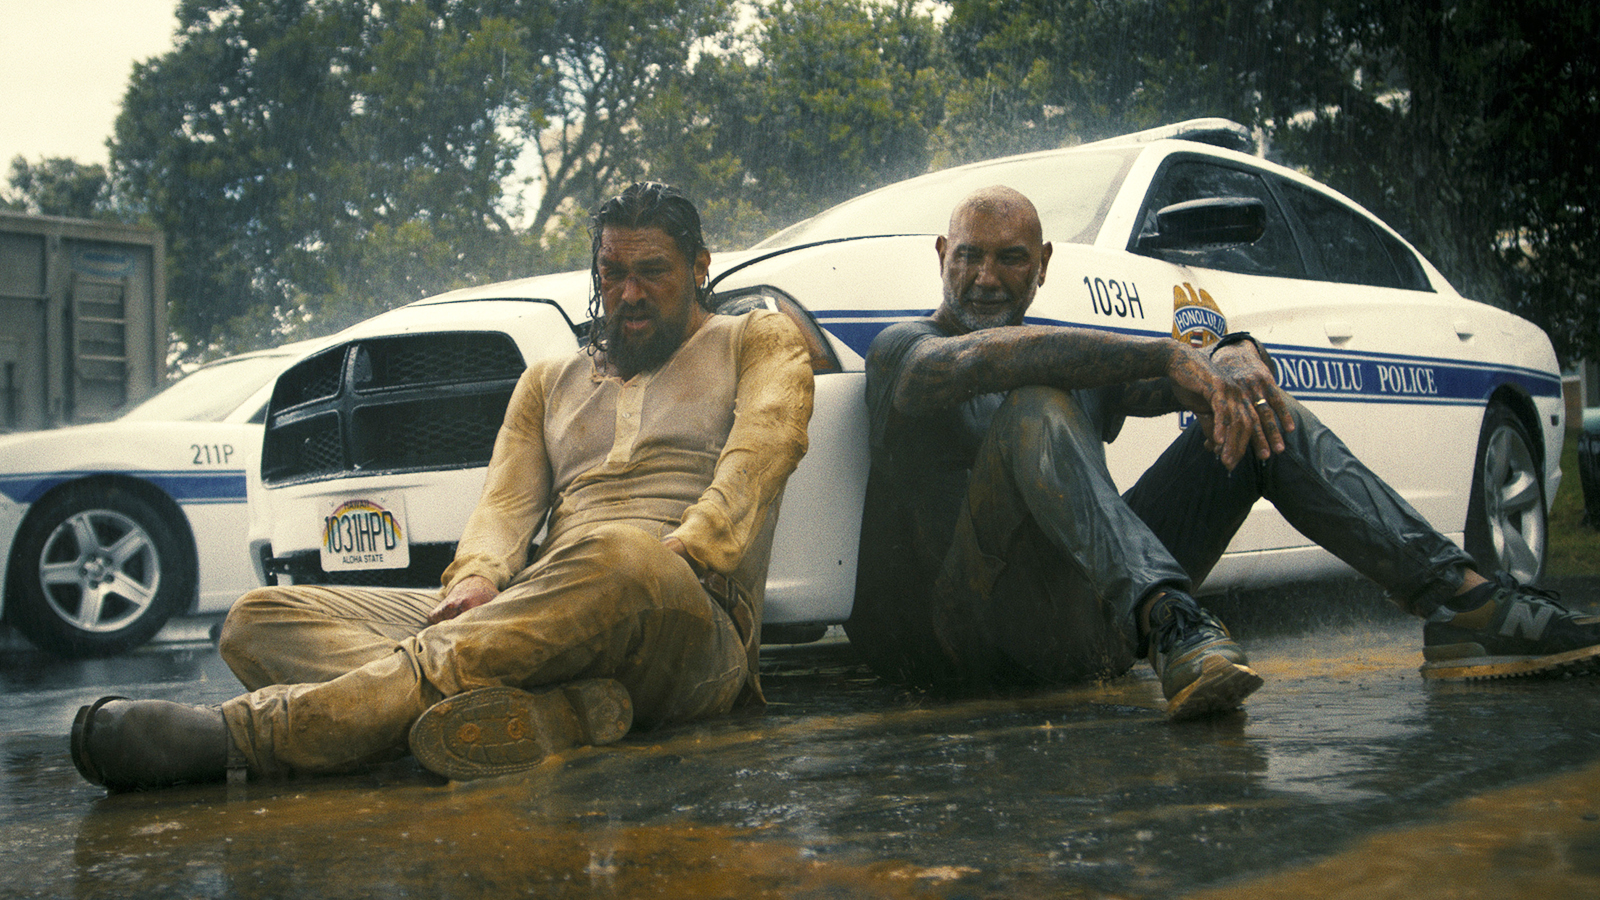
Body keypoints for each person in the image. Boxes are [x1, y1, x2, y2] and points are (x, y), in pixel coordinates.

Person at [71, 182, 815, 790]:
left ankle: (253, 735)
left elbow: (763, 451)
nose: (629, 293)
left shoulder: (754, 338)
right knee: (257, 619)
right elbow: (503, 511)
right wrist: (477, 580)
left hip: (689, 621)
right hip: (540, 611)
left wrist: (684, 548)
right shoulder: (550, 380)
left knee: (621, 557)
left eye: (652, 271)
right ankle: (562, 712)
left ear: (699, 266)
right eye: (612, 274)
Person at [845, 184, 1600, 720]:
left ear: (1042, 265)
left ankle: (1461, 601)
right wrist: (1162, 353)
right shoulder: (903, 351)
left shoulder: (1079, 364)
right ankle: (1174, 622)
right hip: (973, 637)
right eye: (968, 256)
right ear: (941, 255)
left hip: (1090, 628)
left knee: (1259, 413)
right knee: (1035, 404)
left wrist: (1236, 354)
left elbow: (1192, 374)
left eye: (1010, 258)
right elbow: (974, 364)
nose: (984, 277)